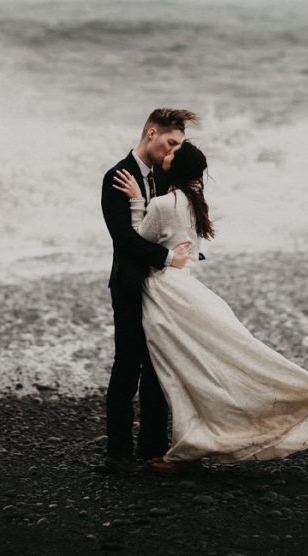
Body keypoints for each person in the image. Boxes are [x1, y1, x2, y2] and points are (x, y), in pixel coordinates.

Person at [113, 139, 308, 471]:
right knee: (194, 368)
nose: (167, 153)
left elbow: (137, 242)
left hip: (165, 294)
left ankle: (192, 446)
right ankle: (194, 443)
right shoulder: (196, 203)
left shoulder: (162, 204)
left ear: (178, 167)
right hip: (188, 288)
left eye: (173, 153)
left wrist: (135, 200)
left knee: (176, 371)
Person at [101, 108, 200, 473]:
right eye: (170, 142)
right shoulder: (117, 176)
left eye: (178, 145)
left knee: (158, 367)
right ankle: (118, 452)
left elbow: (173, 220)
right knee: (127, 366)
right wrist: (168, 256)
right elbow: (123, 239)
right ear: (151, 133)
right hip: (130, 285)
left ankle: (153, 448)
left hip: (164, 290)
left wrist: (187, 253)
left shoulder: (165, 176)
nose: (172, 151)